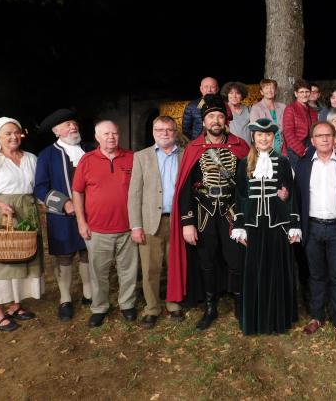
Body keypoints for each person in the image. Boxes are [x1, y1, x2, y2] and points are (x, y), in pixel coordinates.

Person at [167, 95, 251, 331]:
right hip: (203, 213)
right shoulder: (193, 149)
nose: (216, 120)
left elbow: (248, 184)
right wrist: (187, 222)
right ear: (204, 122)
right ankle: (211, 307)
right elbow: (184, 188)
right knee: (207, 262)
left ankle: (239, 304)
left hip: (232, 213)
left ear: (225, 121)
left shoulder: (239, 146)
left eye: (220, 116)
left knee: (236, 261)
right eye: (211, 116)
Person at [230, 118, 301, 334]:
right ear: (253, 137)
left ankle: (277, 320)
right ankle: (254, 320)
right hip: (252, 226)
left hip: (277, 225)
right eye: (260, 135)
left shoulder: (283, 162)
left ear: (274, 137)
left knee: (277, 273)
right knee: (254, 273)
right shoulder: (244, 163)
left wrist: (294, 224)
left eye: (268, 134)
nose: (264, 138)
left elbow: (291, 195)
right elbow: (240, 196)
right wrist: (239, 225)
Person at [294, 121, 336, 342]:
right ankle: (316, 316)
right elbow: (297, 200)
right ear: (312, 140)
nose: (324, 139)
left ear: (334, 139)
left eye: (328, 135)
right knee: (315, 275)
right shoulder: (303, 166)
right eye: (319, 135)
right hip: (312, 228)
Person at [0, 117, 44, 332]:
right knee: (0, 260)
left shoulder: (31, 158)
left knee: (24, 256)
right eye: (7, 133)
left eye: (16, 132)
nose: (13, 136)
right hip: (0, 214)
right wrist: (0, 204)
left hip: (26, 212)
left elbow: (37, 187)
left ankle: (16, 304)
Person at [72, 120, 138, 328]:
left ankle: (127, 304)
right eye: (106, 134)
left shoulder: (132, 158)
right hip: (97, 229)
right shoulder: (87, 160)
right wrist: (81, 222)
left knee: (128, 270)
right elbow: (77, 191)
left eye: (115, 133)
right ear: (97, 137)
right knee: (98, 272)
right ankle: (99, 307)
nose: (111, 137)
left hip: (128, 227)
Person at [33, 109, 94, 322]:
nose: (73, 126)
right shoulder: (47, 155)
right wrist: (64, 203)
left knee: (87, 253)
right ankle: (65, 299)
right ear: (56, 131)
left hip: (91, 214)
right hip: (61, 217)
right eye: (67, 124)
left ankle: (89, 294)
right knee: (65, 257)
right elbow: (40, 188)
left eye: (74, 123)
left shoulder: (91, 149)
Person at [128, 116, 186, 328]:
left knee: (175, 266)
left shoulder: (184, 155)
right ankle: (152, 307)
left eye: (169, 129)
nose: (165, 133)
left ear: (175, 132)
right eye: (160, 129)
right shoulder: (142, 157)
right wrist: (136, 226)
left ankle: (173, 303)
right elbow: (134, 194)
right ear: (153, 132)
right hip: (151, 221)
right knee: (151, 269)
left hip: (177, 222)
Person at [282, 78, 318, 166]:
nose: (304, 94)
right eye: (301, 92)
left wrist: (313, 148)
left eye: (307, 91)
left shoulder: (313, 111)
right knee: (298, 177)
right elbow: (288, 133)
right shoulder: (290, 109)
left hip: (310, 149)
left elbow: (315, 131)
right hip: (295, 150)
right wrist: (302, 151)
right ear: (296, 93)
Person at [250, 79, 286, 155]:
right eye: (266, 88)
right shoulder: (256, 108)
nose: (269, 90)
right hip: (265, 147)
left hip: (283, 148)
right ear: (261, 92)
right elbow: (254, 131)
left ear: (275, 91)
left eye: (272, 88)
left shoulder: (283, 107)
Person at [221, 81, 251, 145]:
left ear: (242, 95)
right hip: (230, 149)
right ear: (227, 95)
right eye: (231, 93)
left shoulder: (249, 109)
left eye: (237, 93)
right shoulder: (222, 110)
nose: (234, 96)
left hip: (248, 148)